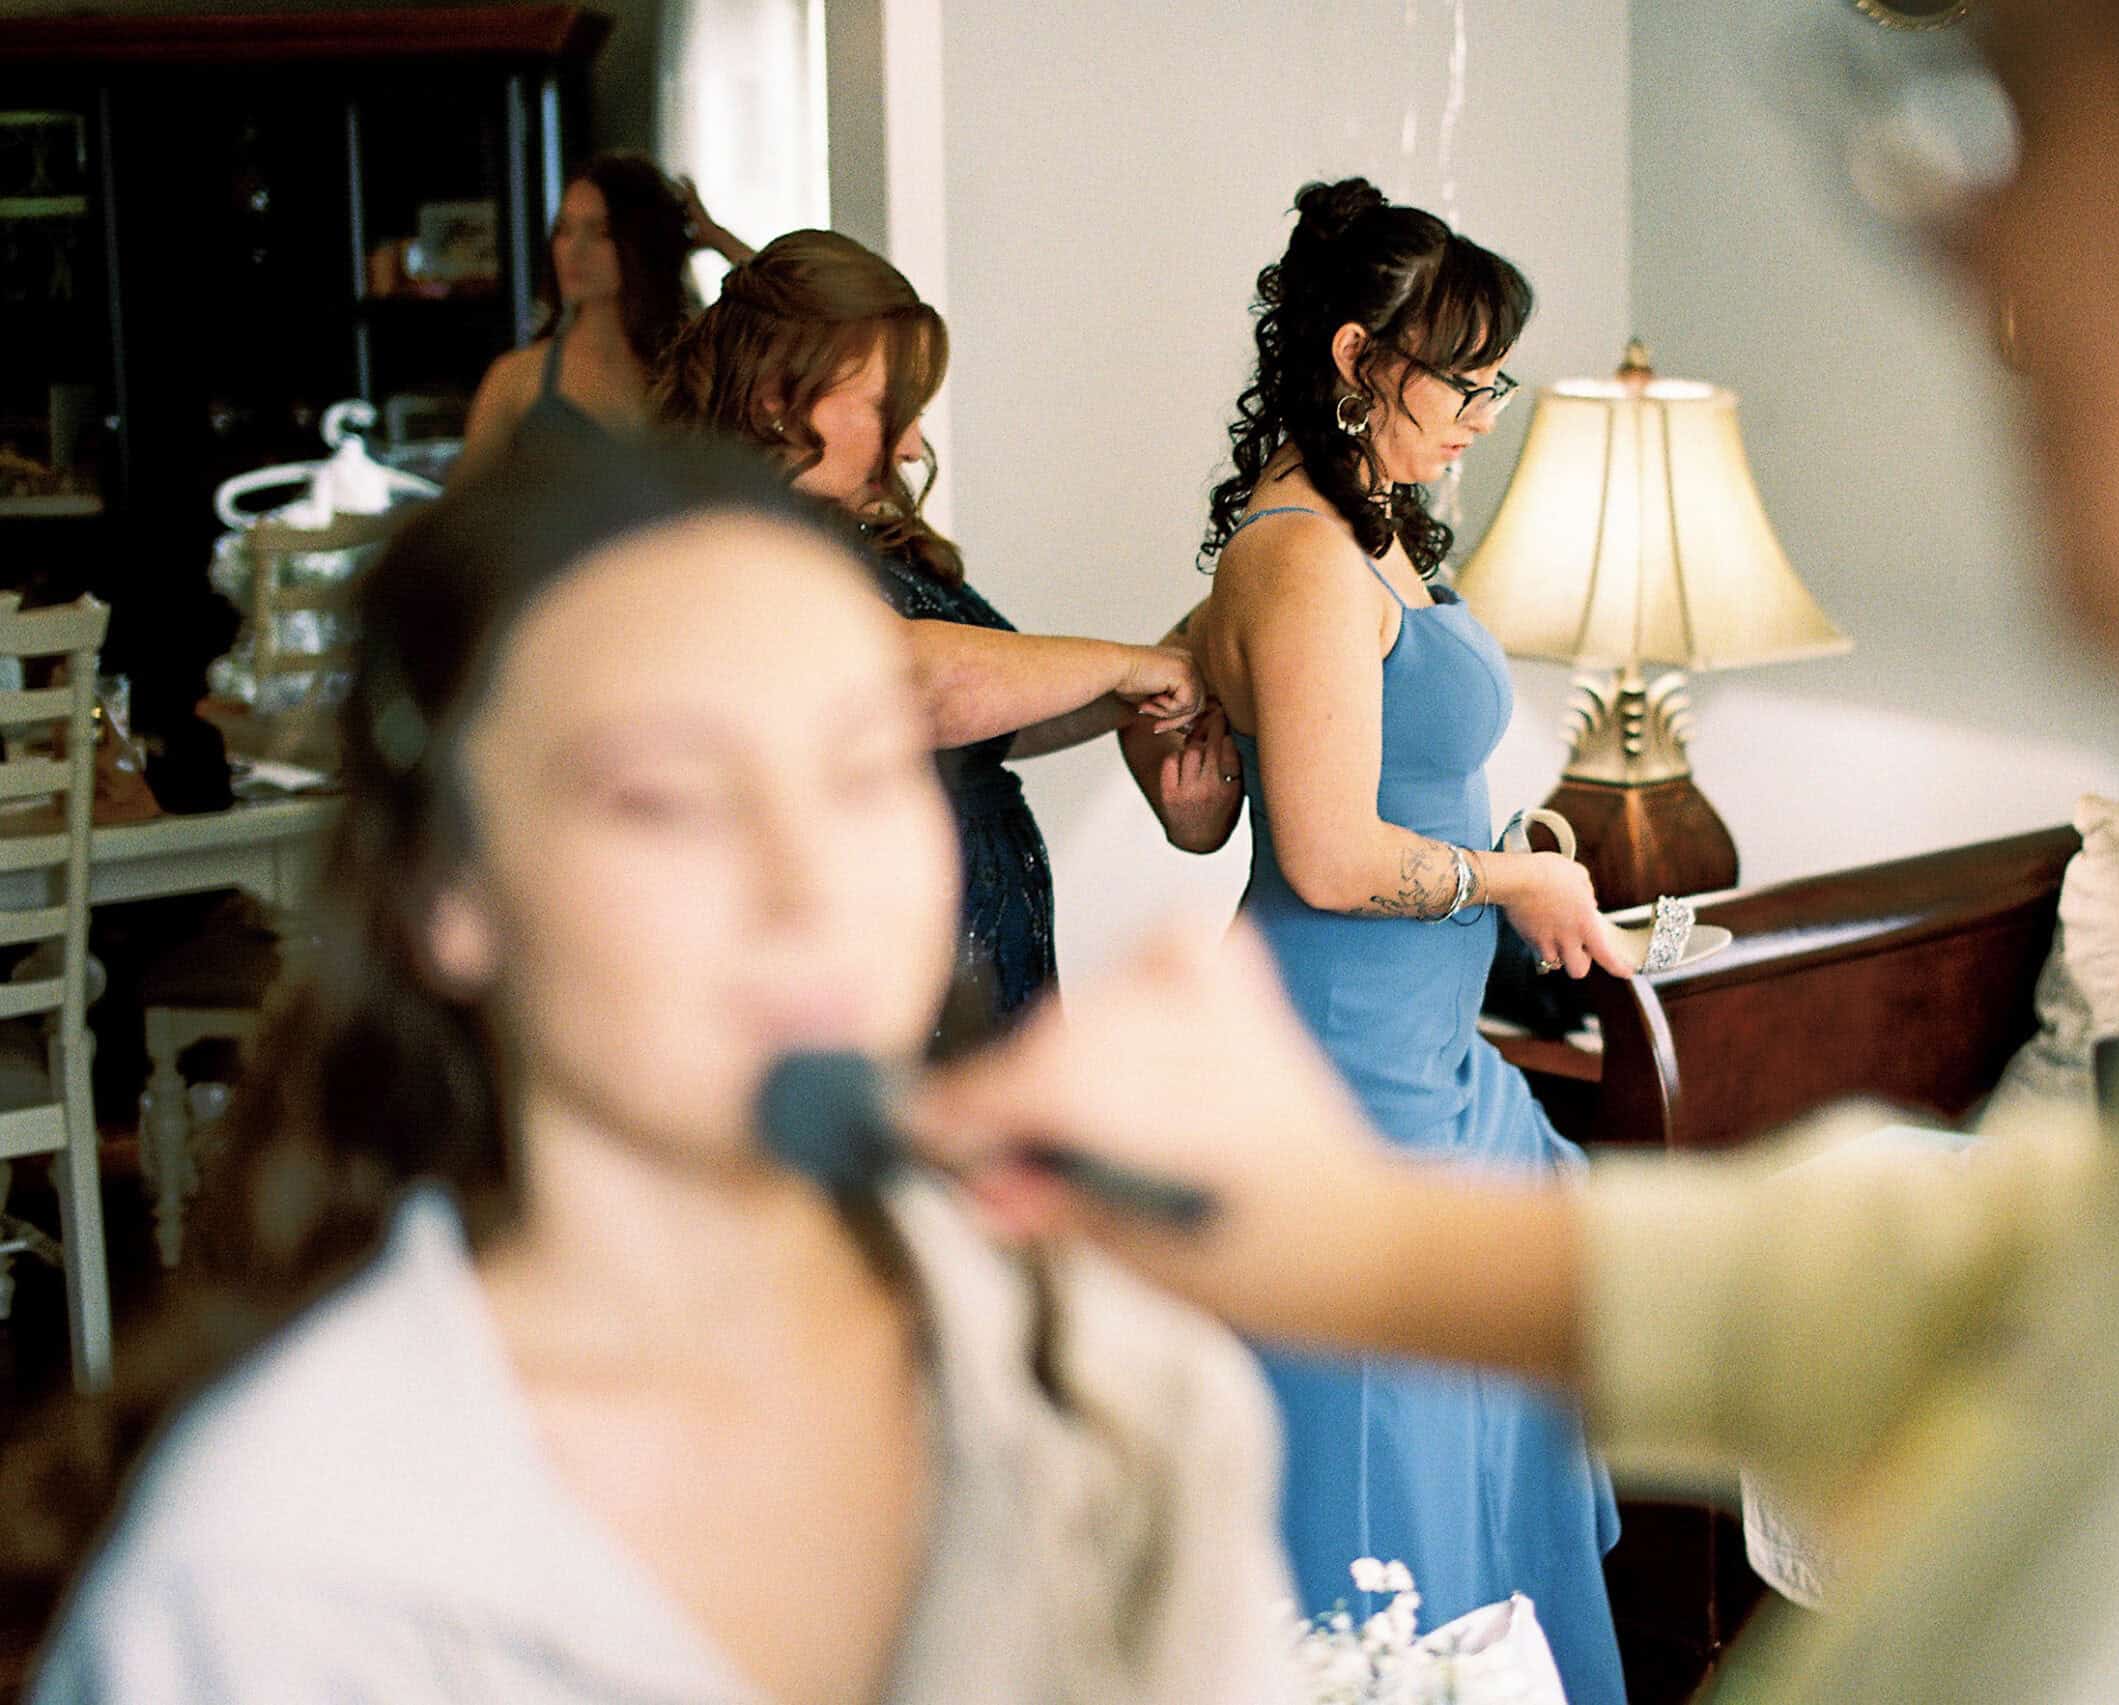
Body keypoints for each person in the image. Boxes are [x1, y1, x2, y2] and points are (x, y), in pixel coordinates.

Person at [920, 3, 2119, 1698]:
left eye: (2000, 118)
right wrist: (1374, 1243)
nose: (1964, 246)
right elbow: (2055, 1274)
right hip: (1361, 1054)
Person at [11, 431, 1294, 1703]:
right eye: (670, 796)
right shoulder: (276, 1580)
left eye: (866, 770)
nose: (811, 884)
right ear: (447, 888)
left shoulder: (1116, 1394)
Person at [1135, 176, 1636, 1705]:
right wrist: (1514, 884)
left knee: (1472, 1437)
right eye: (1467, 379)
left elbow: (1216, 813)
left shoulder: (1376, 534)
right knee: (1376, 1480)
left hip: (1424, 1056)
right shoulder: (1297, 557)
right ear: (1359, 358)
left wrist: (1505, 854)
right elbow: (1337, 860)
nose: (1489, 411)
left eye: (1499, 379)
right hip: (1342, 1064)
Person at [656, 230, 1205, 1024]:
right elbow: (912, 687)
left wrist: (1169, 668)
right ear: (777, 396)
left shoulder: (859, 532)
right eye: (889, 410)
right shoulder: (735, 542)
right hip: (879, 976)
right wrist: (1125, 666)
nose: (913, 444)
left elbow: (993, 723)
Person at [455, 157, 754, 477]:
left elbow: (794, 302)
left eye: (601, 233)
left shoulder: (693, 367)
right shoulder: (517, 378)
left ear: (640, 244)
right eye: (564, 230)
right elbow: (462, 517)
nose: (574, 249)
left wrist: (715, 236)